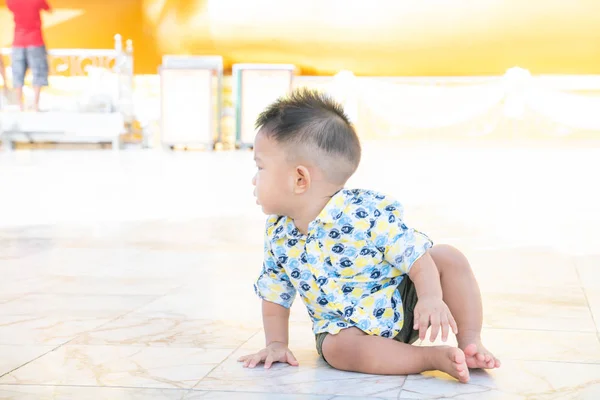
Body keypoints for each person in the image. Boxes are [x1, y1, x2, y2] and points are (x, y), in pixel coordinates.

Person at [238, 89, 500, 383]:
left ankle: (470, 342)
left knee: (447, 256)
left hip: (403, 305)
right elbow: (275, 293)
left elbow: (415, 256)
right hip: (347, 330)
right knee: (337, 350)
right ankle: (431, 358)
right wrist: (276, 343)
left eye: (260, 167)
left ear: (300, 179)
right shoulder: (278, 232)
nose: (253, 179)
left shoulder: (365, 213)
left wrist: (430, 298)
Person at [6, 0, 52, 111]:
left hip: (18, 40)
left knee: (18, 73)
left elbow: (10, 7)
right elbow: (48, 9)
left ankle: (19, 105)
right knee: (38, 71)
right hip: (35, 40)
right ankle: (36, 105)